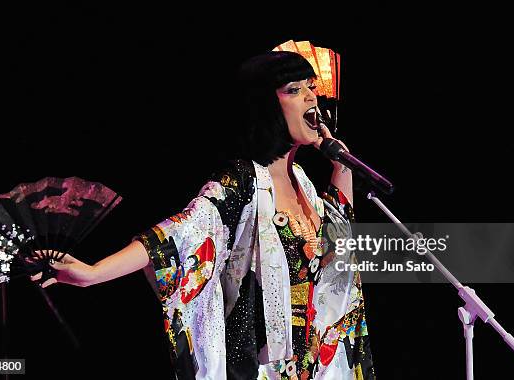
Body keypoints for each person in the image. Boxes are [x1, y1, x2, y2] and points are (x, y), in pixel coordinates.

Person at [32, 51, 375, 380]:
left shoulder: (303, 183)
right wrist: (92, 273)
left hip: (314, 366)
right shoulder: (243, 180)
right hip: (263, 365)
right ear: (266, 106)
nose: (311, 98)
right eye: (294, 90)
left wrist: (339, 161)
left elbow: (337, 237)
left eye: (311, 86)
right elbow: (177, 234)